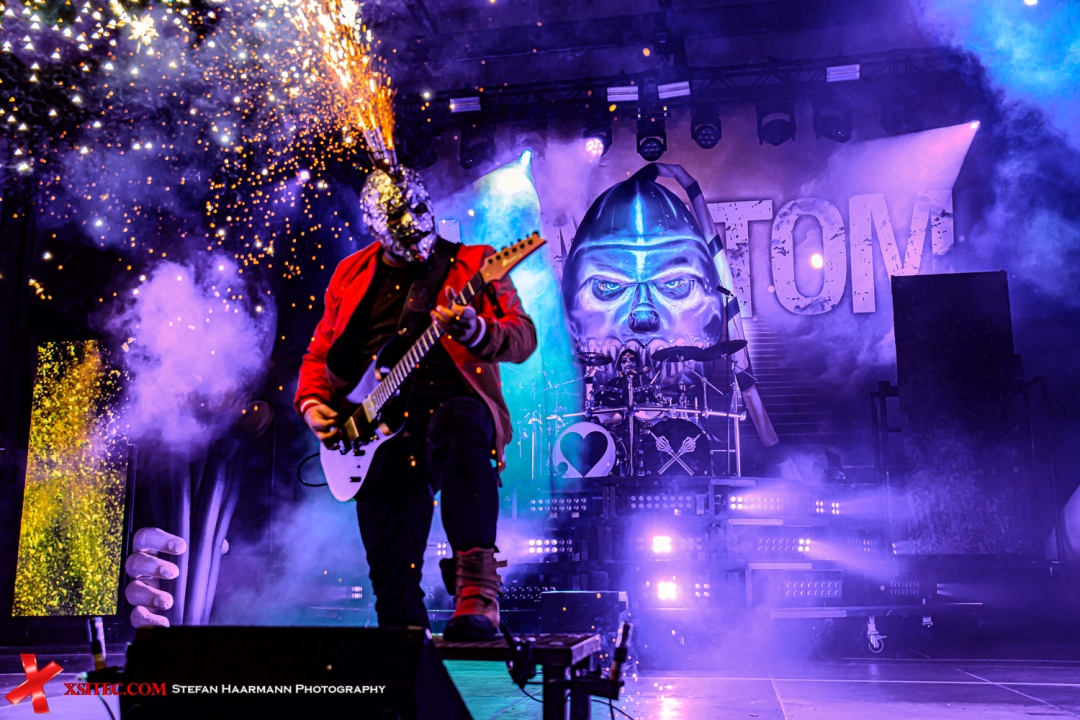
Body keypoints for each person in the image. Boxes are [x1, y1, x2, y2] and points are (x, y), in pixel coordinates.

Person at [295, 167, 537, 641]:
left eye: (419, 211)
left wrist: (478, 330)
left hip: (452, 408)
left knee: (458, 423)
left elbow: (523, 336)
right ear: (375, 226)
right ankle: (406, 652)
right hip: (373, 429)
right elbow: (319, 353)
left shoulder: (475, 263)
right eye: (398, 220)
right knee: (392, 576)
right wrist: (312, 403)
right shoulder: (351, 273)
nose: (413, 226)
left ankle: (477, 592)